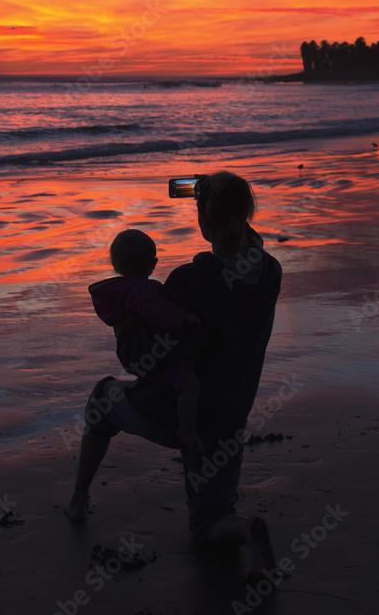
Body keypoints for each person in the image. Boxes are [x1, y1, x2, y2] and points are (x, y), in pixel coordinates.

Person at [65, 170, 283, 580]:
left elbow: (145, 361)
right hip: (230, 418)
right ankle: (246, 529)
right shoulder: (269, 275)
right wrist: (222, 201)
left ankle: (78, 501)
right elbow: (250, 246)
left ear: (204, 222)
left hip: (180, 414)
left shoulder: (190, 281)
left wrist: (125, 325)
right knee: (209, 521)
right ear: (245, 216)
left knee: (102, 399)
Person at [88, 228, 206, 456]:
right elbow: (158, 313)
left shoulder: (120, 291)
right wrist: (184, 318)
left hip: (128, 351)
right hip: (139, 351)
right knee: (189, 382)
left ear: (115, 265)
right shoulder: (143, 290)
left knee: (166, 375)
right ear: (154, 263)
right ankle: (186, 430)